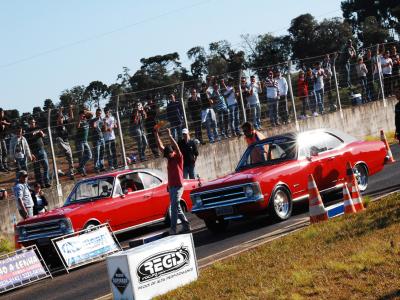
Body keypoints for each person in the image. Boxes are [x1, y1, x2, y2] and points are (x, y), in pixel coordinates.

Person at [155, 127, 190, 235]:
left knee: (174, 206)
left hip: (179, 186)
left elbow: (177, 148)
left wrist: (170, 136)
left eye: (168, 155)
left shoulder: (178, 157)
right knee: (177, 207)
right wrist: (156, 134)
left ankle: (173, 229)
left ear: (172, 152)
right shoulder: (169, 157)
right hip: (171, 187)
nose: (167, 158)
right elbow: (160, 147)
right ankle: (186, 225)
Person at [26, 118, 50, 188]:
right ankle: (40, 184)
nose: (33, 123)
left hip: (41, 149)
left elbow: (43, 135)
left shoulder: (38, 128)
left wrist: (41, 133)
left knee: (46, 166)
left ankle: (46, 181)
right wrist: (30, 153)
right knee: (37, 169)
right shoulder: (27, 131)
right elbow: (28, 140)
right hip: (34, 152)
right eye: (31, 122)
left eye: (34, 122)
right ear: (29, 123)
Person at [56, 105, 75, 179]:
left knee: (70, 159)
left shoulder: (65, 123)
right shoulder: (58, 125)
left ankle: (71, 173)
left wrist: (70, 109)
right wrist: (60, 110)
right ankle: (64, 151)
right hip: (61, 143)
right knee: (58, 139)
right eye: (60, 118)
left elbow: (71, 118)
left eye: (62, 118)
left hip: (67, 143)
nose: (61, 119)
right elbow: (59, 119)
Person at [76, 110, 92, 176]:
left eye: (84, 116)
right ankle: (83, 171)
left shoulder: (87, 120)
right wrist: (80, 119)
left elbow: (91, 114)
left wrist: (85, 111)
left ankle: (80, 167)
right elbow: (77, 126)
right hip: (80, 142)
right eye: (82, 116)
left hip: (85, 141)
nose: (84, 117)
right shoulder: (79, 122)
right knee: (81, 157)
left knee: (89, 155)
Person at [91, 108, 106, 173]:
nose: (99, 114)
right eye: (98, 113)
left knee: (102, 153)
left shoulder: (102, 120)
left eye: (100, 113)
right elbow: (93, 126)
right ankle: (96, 167)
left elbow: (104, 129)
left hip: (102, 138)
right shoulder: (93, 120)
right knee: (97, 153)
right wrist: (97, 121)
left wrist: (104, 124)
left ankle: (101, 165)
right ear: (96, 113)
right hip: (96, 139)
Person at [0, 108, 11, 172]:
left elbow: (11, 124)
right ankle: (1, 166)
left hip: (3, 138)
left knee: (5, 151)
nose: (1, 114)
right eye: (0, 113)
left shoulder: (5, 118)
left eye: (2, 113)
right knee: (0, 152)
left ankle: (5, 165)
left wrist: (5, 123)